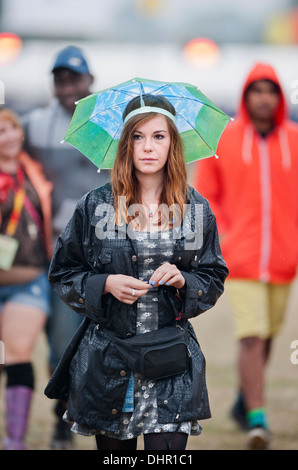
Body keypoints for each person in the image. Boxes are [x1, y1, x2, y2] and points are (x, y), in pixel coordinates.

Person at [44, 93, 228, 451]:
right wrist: (105, 284)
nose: (147, 147)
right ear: (125, 144)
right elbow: (63, 273)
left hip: (171, 359)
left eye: (158, 136)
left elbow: (213, 276)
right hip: (109, 358)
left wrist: (184, 280)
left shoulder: (195, 208)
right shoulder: (95, 205)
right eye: (137, 137)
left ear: (173, 143)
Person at [194, 62, 298, 450]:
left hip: (286, 260)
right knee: (251, 336)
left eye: (271, 90)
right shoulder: (226, 140)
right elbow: (208, 196)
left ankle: (243, 399)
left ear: (279, 97)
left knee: (268, 335)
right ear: (246, 95)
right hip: (242, 258)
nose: (264, 98)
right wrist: (227, 235)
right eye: (257, 90)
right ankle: (258, 419)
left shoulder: (294, 138)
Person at [22, 45, 110, 448]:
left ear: (90, 81)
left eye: (75, 79)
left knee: (99, 344)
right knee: (62, 342)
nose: (68, 86)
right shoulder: (34, 126)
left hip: (102, 253)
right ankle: (62, 418)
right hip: (52, 252)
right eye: (60, 80)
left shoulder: (114, 127)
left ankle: (85, 416)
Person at [0, 108, 53, 450]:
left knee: (18, 352)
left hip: (30, 278)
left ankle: (15, 440)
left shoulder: (33, 171)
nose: (7, 137)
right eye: (0, 131)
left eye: (11, 129)